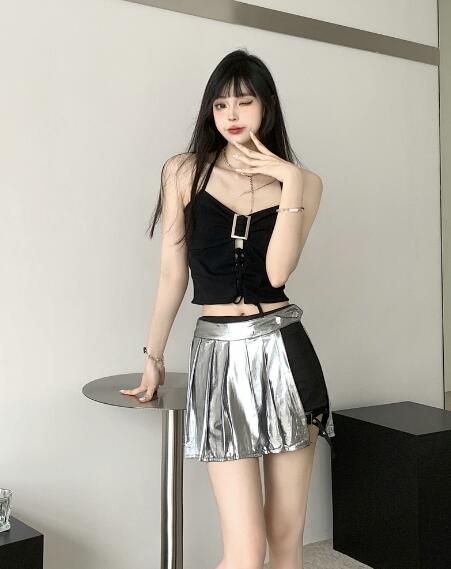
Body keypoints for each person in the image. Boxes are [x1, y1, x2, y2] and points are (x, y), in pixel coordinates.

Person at [119, 49, 335, 569]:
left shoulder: (304, 182)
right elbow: (172, 274)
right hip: (219, 359)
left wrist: (289, 179)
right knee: (244, 550)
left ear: (267, 106)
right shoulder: (183, 172)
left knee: (286, 539)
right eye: (220, 104)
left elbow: (278, 273)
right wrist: (153, 356)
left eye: (244, 101)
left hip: (286, 352)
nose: (231, 114)